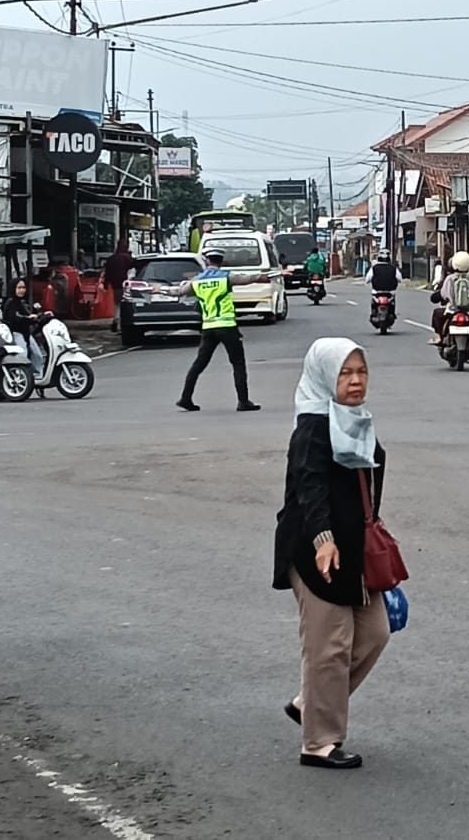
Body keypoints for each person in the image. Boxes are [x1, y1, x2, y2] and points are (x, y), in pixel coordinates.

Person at [273, 338, 389, 770]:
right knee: (329, 647)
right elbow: (309, 487)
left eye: (361, 372)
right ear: (324, 377)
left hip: (354, 551)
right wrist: (324, 539)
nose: (356, 381)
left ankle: (311, 702)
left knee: (375, 633)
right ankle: (319, 742)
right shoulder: (312, 429)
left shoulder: (355, 420)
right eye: (345, 373)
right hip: (314, 551)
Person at [170, 246, 268, 412]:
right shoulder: (226, 277)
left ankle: (185, 398)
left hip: (209, 327)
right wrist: (265, 276)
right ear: (221, 261)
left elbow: (178, 292)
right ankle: (243, 401)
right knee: (238, 364)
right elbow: (248, 278)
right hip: (227, 326)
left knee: (199, 364)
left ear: (207, 261)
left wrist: (157, 290)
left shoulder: (197, 281)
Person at [2, 278, 47, 400]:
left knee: (37, 355)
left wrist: (40, 315)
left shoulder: (24, 302)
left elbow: (31, 313)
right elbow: (15, 318)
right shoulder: (10, 303)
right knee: (23, 355)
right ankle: (19, 379)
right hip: (15, 333)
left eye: (23, 288)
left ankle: (38, 380)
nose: (21, 290)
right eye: (19, 288)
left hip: (26, 333)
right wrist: (27, 318)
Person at [429, 251, 469, 347]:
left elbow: (444, 294)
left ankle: (438, 337)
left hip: (452, 310)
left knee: (437, 314)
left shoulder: (450, 279)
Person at [364, 248, 403, 319]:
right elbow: (400, 279)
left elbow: (367, 279)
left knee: (374, 302)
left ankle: (374, 314)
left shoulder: (374, 268)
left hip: (377, 292)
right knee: (392, 302)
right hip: (390, 292)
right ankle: (392, 313)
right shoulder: (393, 268)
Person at [105, 243, 135, 331]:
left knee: (117, 303)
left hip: (115, 285)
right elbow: (134, 267)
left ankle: (116, 319)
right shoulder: (127, 258)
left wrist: (106, 284)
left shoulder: (111, 259)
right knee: (125, 304)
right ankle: (122, 323)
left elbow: (107, 273)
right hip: (126, 285)